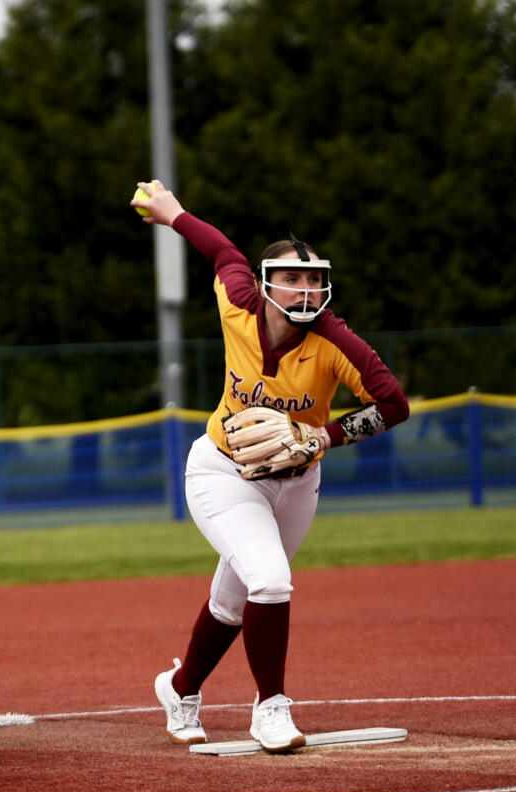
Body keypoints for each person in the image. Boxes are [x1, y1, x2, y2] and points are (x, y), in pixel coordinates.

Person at [131, 180, 410, 752]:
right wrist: (174, 213)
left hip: (297, 482)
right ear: (267, 283)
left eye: (314, 279)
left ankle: (180, 688)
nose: (305, 289)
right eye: (292, 277)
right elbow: (224, 252)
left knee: (236, 601)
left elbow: (393, 404)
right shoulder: (239, 302)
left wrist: (324, 436)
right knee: (272, 581)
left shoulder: (336, 341)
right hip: (222, 471)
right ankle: (271, 707)